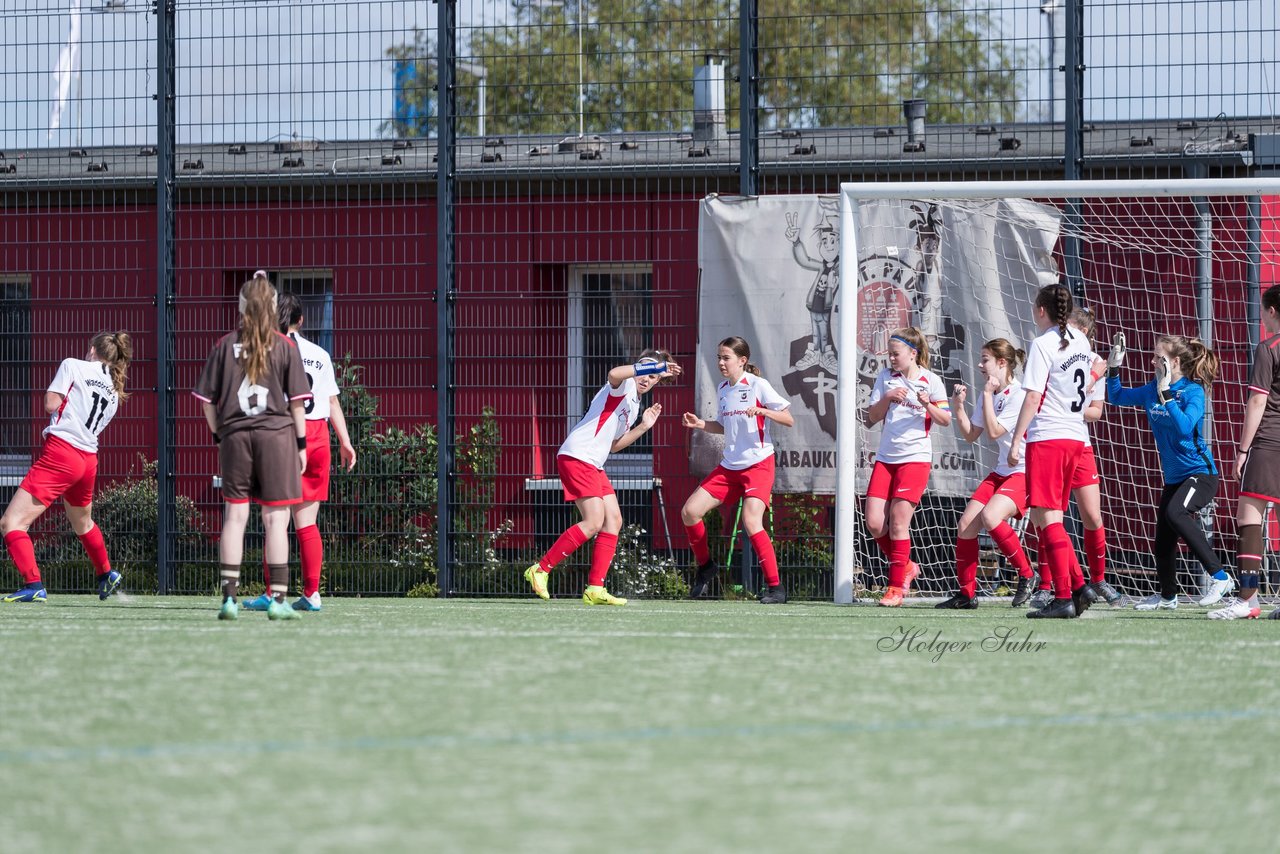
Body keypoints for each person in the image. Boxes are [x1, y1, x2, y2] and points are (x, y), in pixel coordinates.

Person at [194, 272, 311, 621]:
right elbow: (296, 404)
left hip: (236, 437)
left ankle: (229, 599)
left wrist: (220, 435)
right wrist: (302, 445)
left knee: (235, 517)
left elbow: (206, 402)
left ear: (242, 306)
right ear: (274, 308)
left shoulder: (224, 344)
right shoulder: (285, 346)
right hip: (276, 437)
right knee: (276, 520)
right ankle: (278, 601)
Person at [524, 350, 680, 605]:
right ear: (637, 367)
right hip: (578, 456)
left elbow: (615, 445)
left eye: (653, 376)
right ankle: (540, 569)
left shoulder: (635, 404)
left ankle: (595, 588)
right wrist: (658, 366)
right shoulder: (623, 386)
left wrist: (643, 426)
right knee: (594, 521)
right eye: (644, 371)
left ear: (656, 382)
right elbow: (614, 373)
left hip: (593, 463)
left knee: (613, 521)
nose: (646, 378)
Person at [241, 293, 357, 613]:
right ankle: (312, 594)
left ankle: (273, 593)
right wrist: (345, 442)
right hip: (318, 435)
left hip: (283, 433)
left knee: (276, 521)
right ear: (301, 320)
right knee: (307, 523)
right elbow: (332, 402)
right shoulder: (320, 354)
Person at [1106, 332, 1233, 610]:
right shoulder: (1152, 388)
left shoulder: (1193, 391)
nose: (1152, 361)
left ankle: (1220, 577)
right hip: (1175, 478)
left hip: (1201, 474)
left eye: (1158, 357)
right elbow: (1116, 397)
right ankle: (1167, 596)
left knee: (1176, 513)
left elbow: (1185, 426)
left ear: (1174, 362)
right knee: (1163, 537)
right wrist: (1113, 368)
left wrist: (1167, 395)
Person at [2, 333, 132, 603]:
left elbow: (51, 403)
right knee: (83, 523)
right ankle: (106, 573)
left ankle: (34, 584)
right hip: (88, 461)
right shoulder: (114, 391)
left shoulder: (72, 364)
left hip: (62, 453)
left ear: (93, 350)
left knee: (11, 522)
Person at [683, 336, 794, 604]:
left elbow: (788, 418)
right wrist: (701, 424)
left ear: (742, 361)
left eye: (726, 358)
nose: (721, 362)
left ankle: (776, 588)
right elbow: (723, 426)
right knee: (690, 512)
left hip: (758, 464)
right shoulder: (723, 389)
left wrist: (762, 411)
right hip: (730, 466)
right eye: (719, 357)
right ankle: (707, 568)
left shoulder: (758, 385)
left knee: (751, 521)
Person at [1008, 284, 1096, 618]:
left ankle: (1063, 598)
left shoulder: (1043, 343)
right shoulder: (1082, 340)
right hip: (1075, 436)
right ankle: (1078, 585)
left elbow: (1033, 396)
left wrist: (1017, 439)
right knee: (1052, 518)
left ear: (1041, 310)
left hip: (1048, 436)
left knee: (1048, 520)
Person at [1025, 308, 1120, 608]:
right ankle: (1049, 584)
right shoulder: (1056, 355)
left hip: (1078, 442)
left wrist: (1090, 381)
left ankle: (1096, 580)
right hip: (1055, 437)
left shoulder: (1092, 362)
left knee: (1091, 516)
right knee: (1049, 517)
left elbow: (1095, 411)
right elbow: (1042, 395)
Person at [941, 338, 1035, 609]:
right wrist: (958, 406)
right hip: (1001, 471)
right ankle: (967, 595)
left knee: (991, 516)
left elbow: (994, 433)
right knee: (966, 526)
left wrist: (984, 395)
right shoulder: (991, 395)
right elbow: (971, 435)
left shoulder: (1018, 394)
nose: (980, 365)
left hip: (1024, 471)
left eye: (985, 360)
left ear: (1002, 363)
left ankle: (1027, 574)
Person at [864, 327, 951, 607]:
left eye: (896, 354)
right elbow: (870, 418)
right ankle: (908, 566)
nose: (891, 358)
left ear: (913, 354)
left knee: (900, 523)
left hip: (915, 459)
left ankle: (895, 589)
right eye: (889, 354)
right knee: (875, 523)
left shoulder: (931, 381)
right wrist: (888, 398)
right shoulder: (885, 378)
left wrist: (927, 404)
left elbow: (945, 419)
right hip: (886, 459)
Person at [1210, 284, 1280, 620]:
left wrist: (1242, 449)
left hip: (1268, 443)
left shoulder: (1269, 348)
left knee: (1249, 517)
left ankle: (1248, 600)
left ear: (1271, 311)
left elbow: (1257, 400)